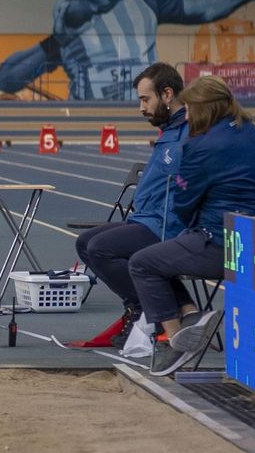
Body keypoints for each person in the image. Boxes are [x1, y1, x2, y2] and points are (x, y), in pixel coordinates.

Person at [129, 75, 255, 376]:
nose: (188, 117)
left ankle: (175, 338)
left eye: (191, 110)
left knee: (143, 261)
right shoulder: (254, 135)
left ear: (205, 109)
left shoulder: (201, 146)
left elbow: (183, 203)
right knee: (161, 255)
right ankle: (191, 315)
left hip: (217, 243)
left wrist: (186, 188)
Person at [0, 0, 255, 100]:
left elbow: (201, 8)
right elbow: (7, 79)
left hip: (147, 118)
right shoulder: (70, 26)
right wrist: (55, 42)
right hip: (93, 123)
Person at [69, 62, 189, 356]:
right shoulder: (170, 131)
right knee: (85, 243)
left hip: (167, 225)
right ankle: (142, 306)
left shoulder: (187, 134)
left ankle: (153, 311)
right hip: (147, 219)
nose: (141, 107)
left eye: (145, 99)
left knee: (100, 248)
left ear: (168, 94)